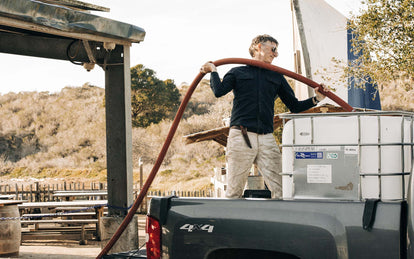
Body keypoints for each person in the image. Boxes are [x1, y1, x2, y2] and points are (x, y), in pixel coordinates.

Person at [200, 34, 327, 198]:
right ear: (258, 47)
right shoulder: (237, 71)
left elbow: (295, 106)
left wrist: (317, 99)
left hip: (267, 137)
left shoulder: (276, 76)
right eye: (273, 49)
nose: (276, 54)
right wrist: (214, 71)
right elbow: (219, 91)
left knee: (284, 189)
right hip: (242, 135)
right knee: (234, 191)